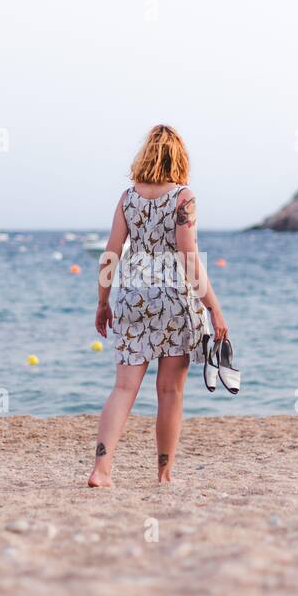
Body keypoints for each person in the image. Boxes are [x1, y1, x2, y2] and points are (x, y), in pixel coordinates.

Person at [88, 125, 228, 487]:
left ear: (145, 156)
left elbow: (111, 252)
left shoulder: (127, 197)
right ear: (179, 158)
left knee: (123, 389)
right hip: (175, 301)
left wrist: (103, 301)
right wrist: (213, 307)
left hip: (133, 296)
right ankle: (164, 475)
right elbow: (189, 258)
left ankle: (101, 471)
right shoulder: (184, 198)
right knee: (169, 392)